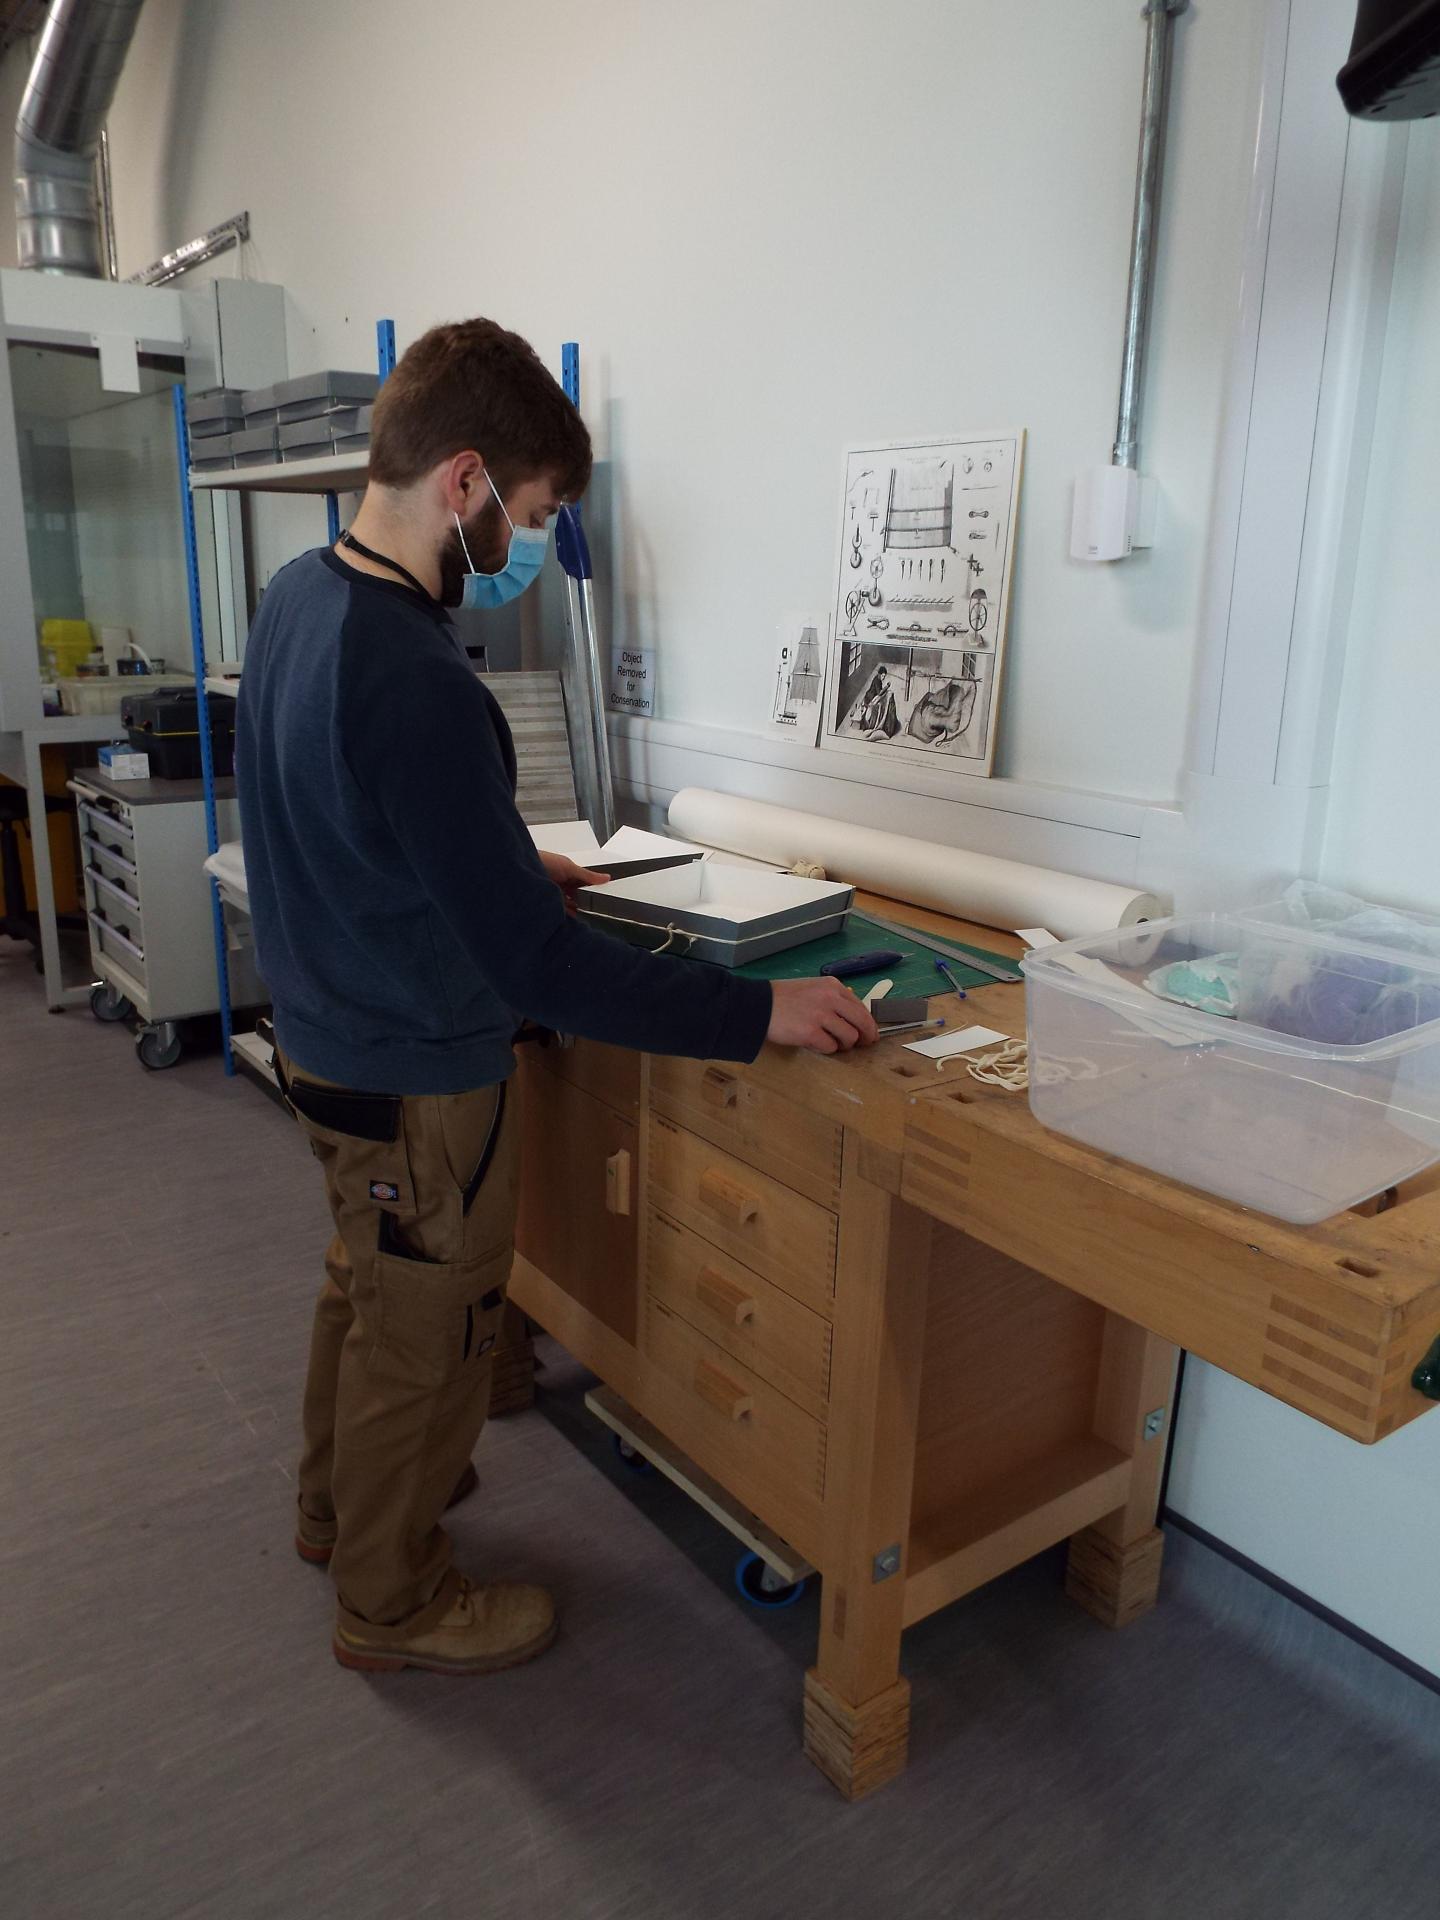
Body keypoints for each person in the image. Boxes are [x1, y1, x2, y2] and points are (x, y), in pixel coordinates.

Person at [235, 318, 876, 1680]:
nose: (522, 544)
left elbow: (323, 809)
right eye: (528, 514)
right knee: (432, 1331)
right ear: (464, 480)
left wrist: (489, 858)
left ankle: (335, 1513)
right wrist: (761, 1018)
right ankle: (392, 1601)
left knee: (366, 1283)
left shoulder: (304, 597)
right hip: (413, 1070)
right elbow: (541, 973)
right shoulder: (412, 671)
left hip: (329, 1036)